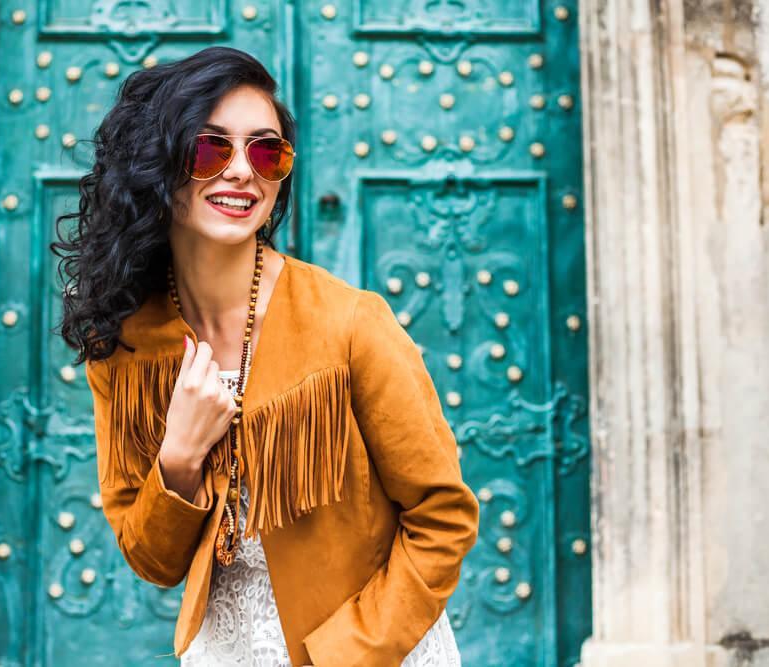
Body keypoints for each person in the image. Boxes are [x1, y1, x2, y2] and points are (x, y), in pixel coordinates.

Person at [52, 45, 480, 667]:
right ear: (158, 164)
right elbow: (152, 561)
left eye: (265, 150)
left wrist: (346, 653)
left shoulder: (351, 322)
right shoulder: (123, 346)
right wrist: (179, 456)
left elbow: (443, 518)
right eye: (210, 147)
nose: (241, 172)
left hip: (370, 652)